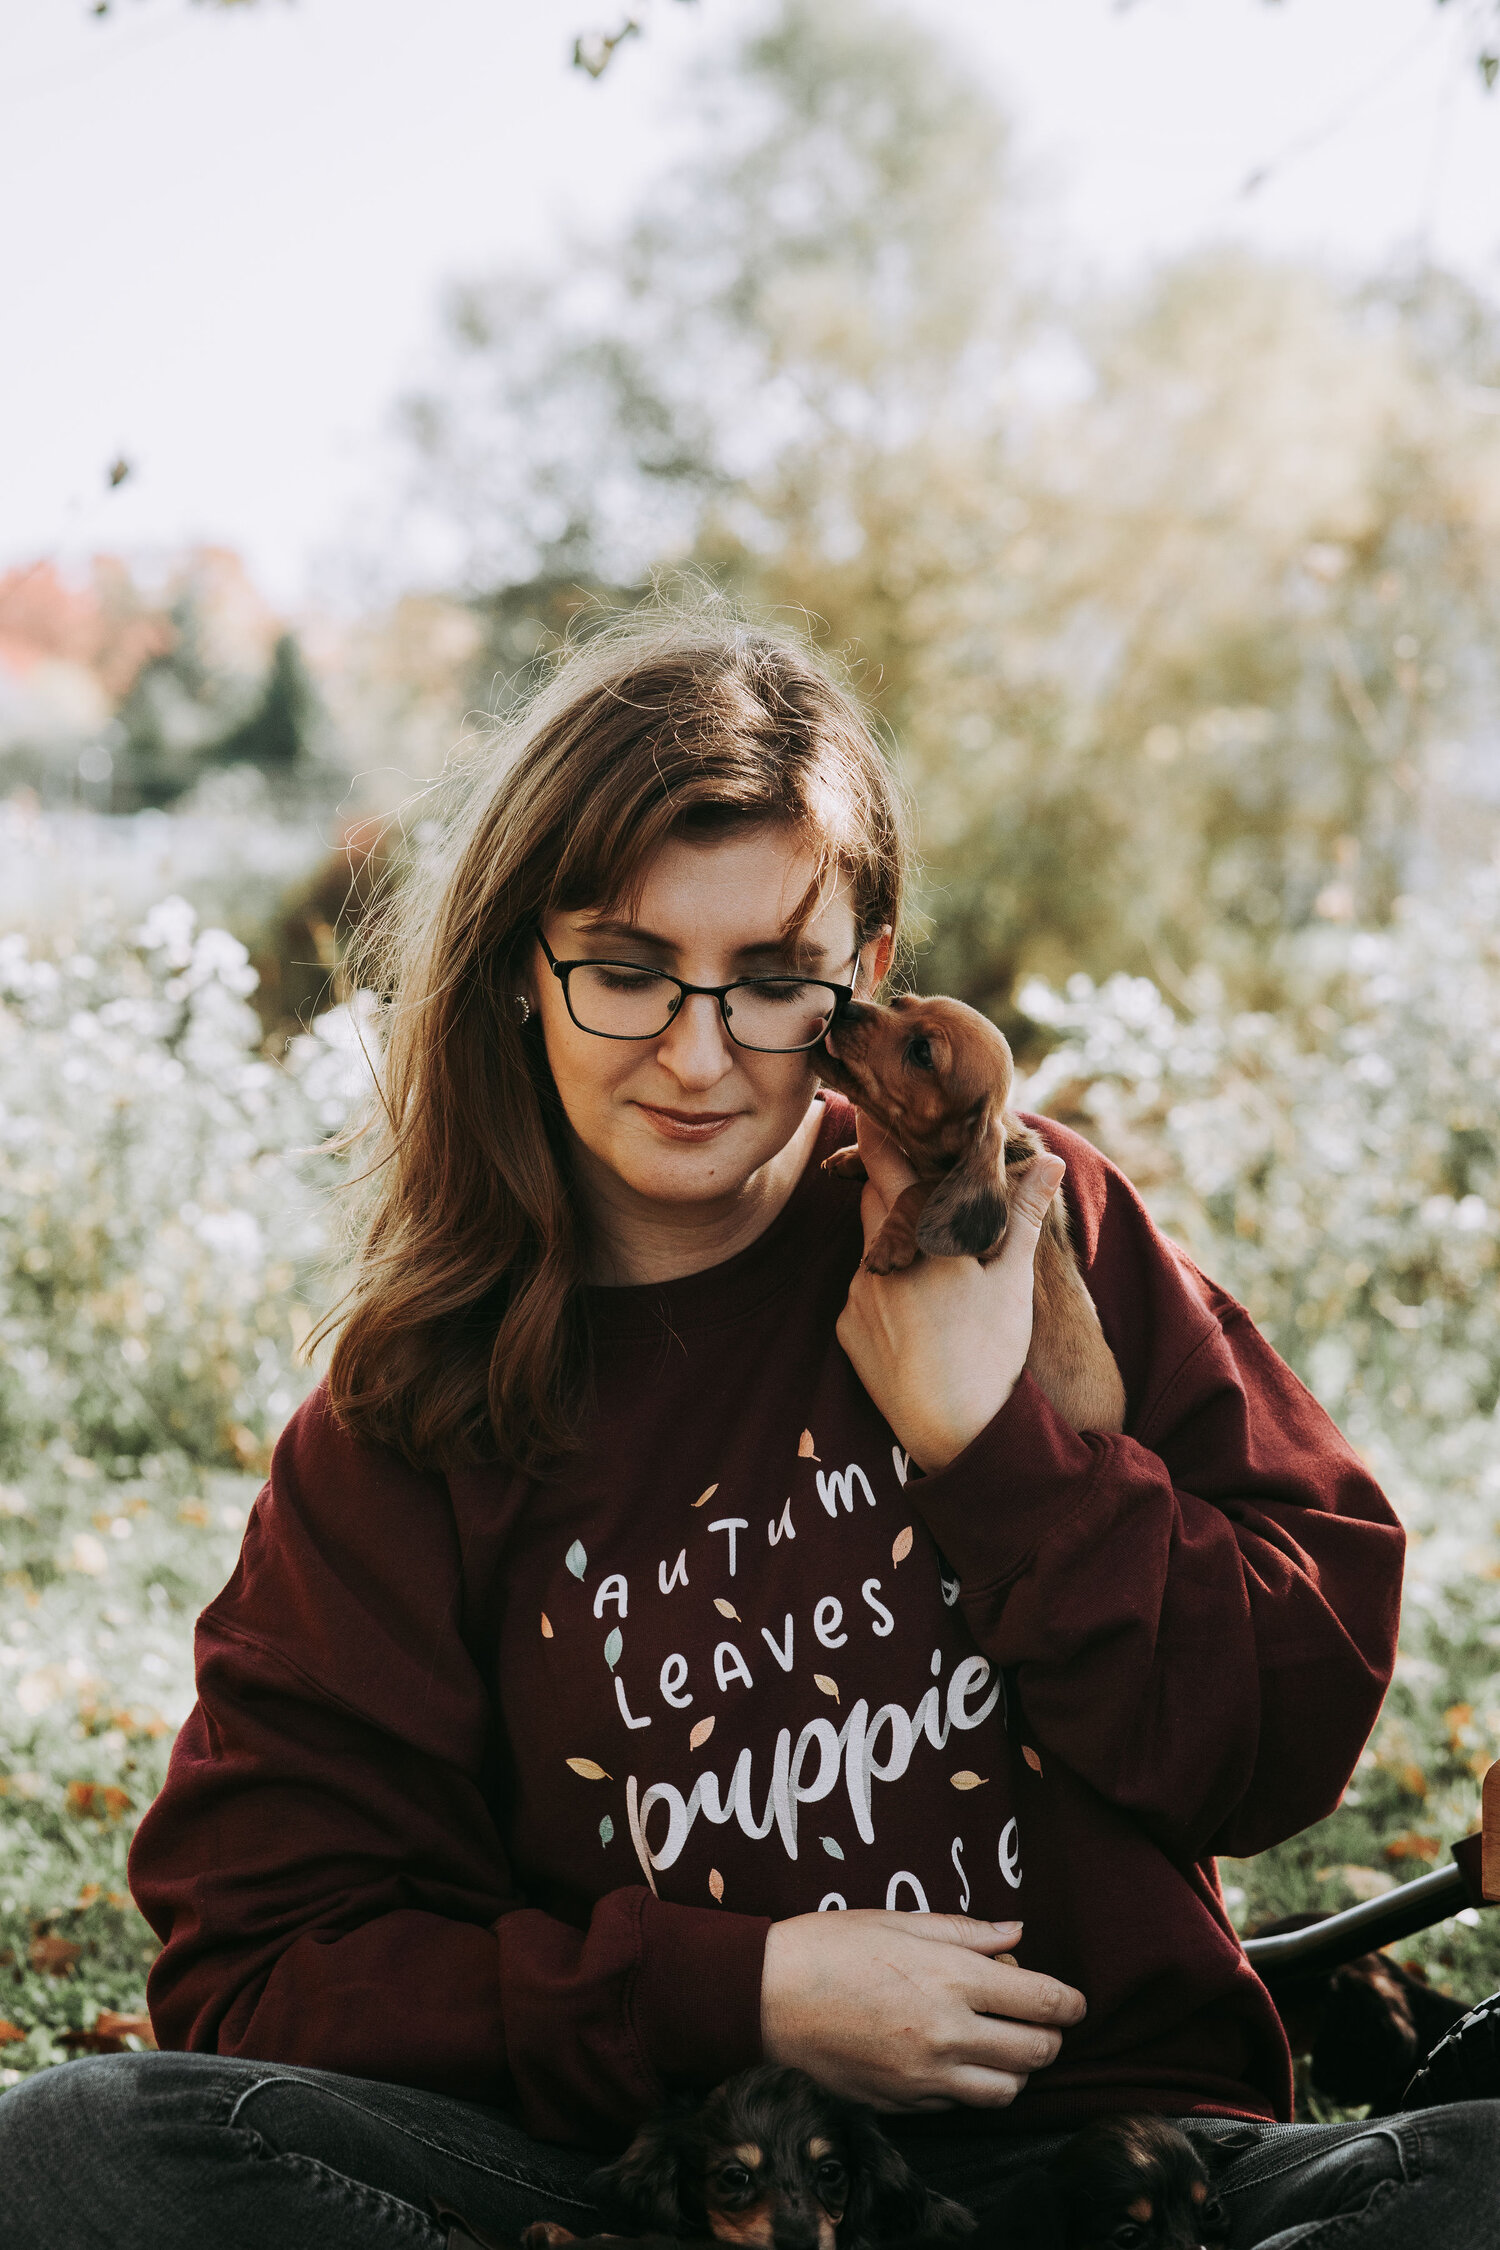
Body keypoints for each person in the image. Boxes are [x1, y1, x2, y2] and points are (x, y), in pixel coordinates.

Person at [2, 609, 1492, 2249]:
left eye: (774, 981)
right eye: (627, 970)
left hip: (1108, 2175)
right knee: (74, 2149)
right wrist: (741, 1994)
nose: (699, 1053)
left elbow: (1285, 1730)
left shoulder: (1024, 1229)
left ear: (864, 976)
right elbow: (262, 1964)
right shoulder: (411, 1418)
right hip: (656, 2193)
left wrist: (998, 1450)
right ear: (520, 968)